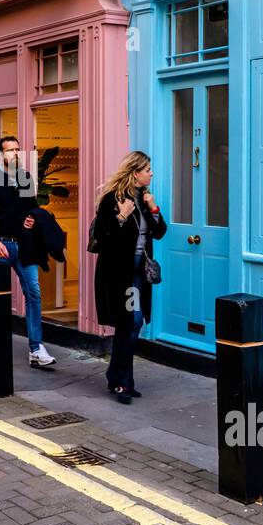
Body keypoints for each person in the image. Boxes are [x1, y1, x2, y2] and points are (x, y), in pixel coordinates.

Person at [92, 151, 167, 404]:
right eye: (147, 169)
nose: (151, 173)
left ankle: (120, 378)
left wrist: (154, 208)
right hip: (119, 274)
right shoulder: (114, 199)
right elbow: (101, 236)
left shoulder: (144, 199)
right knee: (131, 322)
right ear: (135, 173)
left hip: (139, 275)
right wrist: (121, 216)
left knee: (133, 323)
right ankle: (120, 381)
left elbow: (159, 233)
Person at [0, 136, 55, 368]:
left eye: (18, 149)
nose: (15, 153)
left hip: (25, 246)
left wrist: (32, 219)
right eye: (10, 150)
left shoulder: (25, 178)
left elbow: (30, 208)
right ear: (0, 156)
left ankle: (36, 349)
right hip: (0, 246)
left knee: (34, 293)